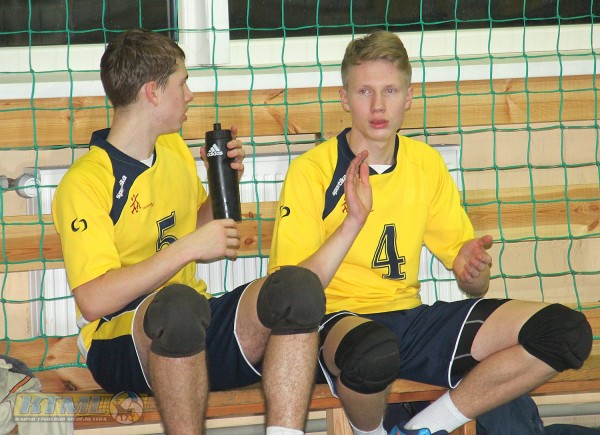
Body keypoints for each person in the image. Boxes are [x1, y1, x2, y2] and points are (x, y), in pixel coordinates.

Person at [268, 30, 593, 435]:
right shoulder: (312, 171)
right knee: (372, 352)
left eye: (390, 90)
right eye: (365, 91)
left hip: (411, 321)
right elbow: (289, 295)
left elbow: (474, 284)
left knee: (564, 332)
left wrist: (471, 271)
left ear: (408, 97)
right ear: (344, 98)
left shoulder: (426, 163)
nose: (378, 105)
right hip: (340, 324)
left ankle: (425, 427)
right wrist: (353, 221)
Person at [52, 28, 325, 435]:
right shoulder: (85, 182)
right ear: (153, 92)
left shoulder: (173, 149)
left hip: (193, 320)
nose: (190, 94)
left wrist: (225, 183)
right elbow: (93, 300)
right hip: (120, 338)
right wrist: (187, 249)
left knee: (297, 289)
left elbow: (198, 227)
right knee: (178, 308)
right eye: (182, 83)